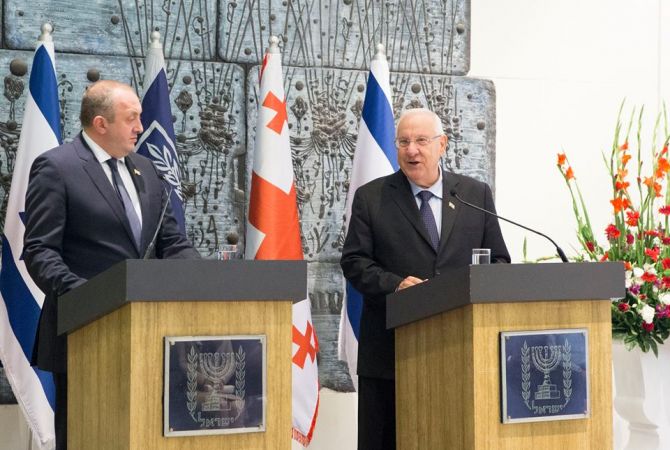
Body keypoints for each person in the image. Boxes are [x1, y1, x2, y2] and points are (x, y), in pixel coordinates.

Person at [23, 80, 200, 449]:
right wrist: (89, 298)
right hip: (86, 334)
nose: (140, 127)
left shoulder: (147, 170)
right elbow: (41, 251)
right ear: (100, 123)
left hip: (151, 334)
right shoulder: (57, 167)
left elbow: (171, 241)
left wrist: (200, 280)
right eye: (131, 118)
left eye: (139, 117)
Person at [340, 108, 510, 450]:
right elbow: (354, 262)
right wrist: (396, 285)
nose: (412, 150)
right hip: (391, 353)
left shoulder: (474, 195)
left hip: (461, 352)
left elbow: (499, 261)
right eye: (403, 142)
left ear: (442, 144)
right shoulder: (372, 197)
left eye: (421, 140)